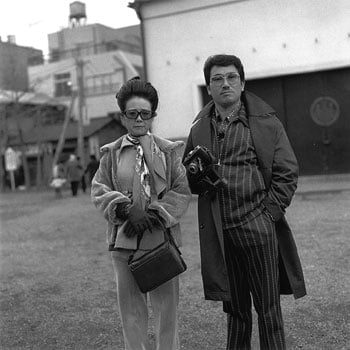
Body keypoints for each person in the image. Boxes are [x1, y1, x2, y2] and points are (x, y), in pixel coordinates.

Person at [183, 54, 306, 350]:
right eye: (217, 79)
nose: (225, 83)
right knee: (235, 310)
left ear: (242, 82)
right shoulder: (198, 128)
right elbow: (190, 175)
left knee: (268, 309)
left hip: (258, 229)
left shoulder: (265, 123)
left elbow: (287, 172)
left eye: (231, 77)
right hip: (221, 233)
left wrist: (269, 214)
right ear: (209, 88)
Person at [91, 77, 191, 350]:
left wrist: (156, 214)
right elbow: (99, 190)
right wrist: (125, 208)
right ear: (123, 117)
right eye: (132, 114)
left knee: (167, 312)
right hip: (123, 244)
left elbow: (181, 191)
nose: (138, 119)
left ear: (153, 116)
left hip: (162, 242)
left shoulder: (170, 152)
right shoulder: (110, 154)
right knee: (132, 314)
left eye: (144, 114)